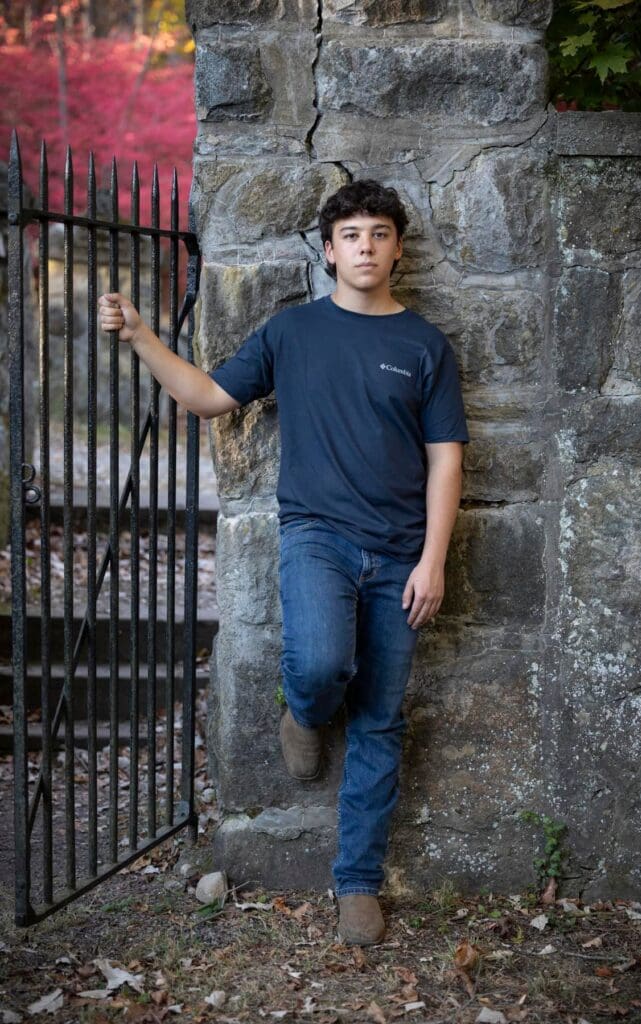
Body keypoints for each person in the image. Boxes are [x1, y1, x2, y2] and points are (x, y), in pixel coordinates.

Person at [98, 179, 469, 946]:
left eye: (378, 234)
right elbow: (206, 397)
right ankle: (301, 711)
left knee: (380, 720)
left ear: (397, 247)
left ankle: (357, 883)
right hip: (317, 538)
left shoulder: (424, 346)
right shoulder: (292, 332)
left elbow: (445, 462)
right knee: (320, 663)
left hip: (401, 551)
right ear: (328, 251)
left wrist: (432, 560)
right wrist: (140, 336)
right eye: (350, 235)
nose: (364, 247)